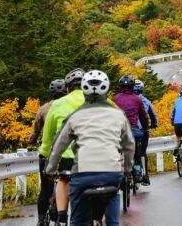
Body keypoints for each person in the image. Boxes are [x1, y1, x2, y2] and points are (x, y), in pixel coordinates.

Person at [46, 70, 134, 226]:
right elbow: (129, 145)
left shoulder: (75, 116)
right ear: (106, 89)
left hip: (83, 173)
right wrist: (127, 169)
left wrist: (51, 169)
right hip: (112, 173)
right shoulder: (118, 114)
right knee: (113, 214)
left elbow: (58, 145)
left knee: (78, 221)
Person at [39, 68, 86, 226]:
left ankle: (61, 216)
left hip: (66, 156)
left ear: (67, 88)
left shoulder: (58, 104)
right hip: (92, 155)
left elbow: (47, 135)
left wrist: (45, 153)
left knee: (64, 179)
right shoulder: (97, 101)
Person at [30, 78, 67, 224]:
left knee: (45, 189)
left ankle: (40, 220)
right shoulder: (69, 107)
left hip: (47, 154)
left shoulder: (44, 109)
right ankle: (62, 214)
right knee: (66, 183)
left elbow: (35, 131)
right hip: (65, 153)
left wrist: (31, 141)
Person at [112, 75, 149, 182]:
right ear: (133, 87)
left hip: (117, 130)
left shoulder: (114, 99)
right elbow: (144, 116)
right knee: (136, 148)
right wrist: (145, 127)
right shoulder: (137, 99)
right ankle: (137, 169)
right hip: (133, 129)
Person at [133, 79, 158, 185]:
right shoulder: (146, 101)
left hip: (129, 129)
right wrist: (154, 124)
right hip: (143, 130)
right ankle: (145, 176)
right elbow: (153, 116)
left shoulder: (127, 100)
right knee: (142, 152)